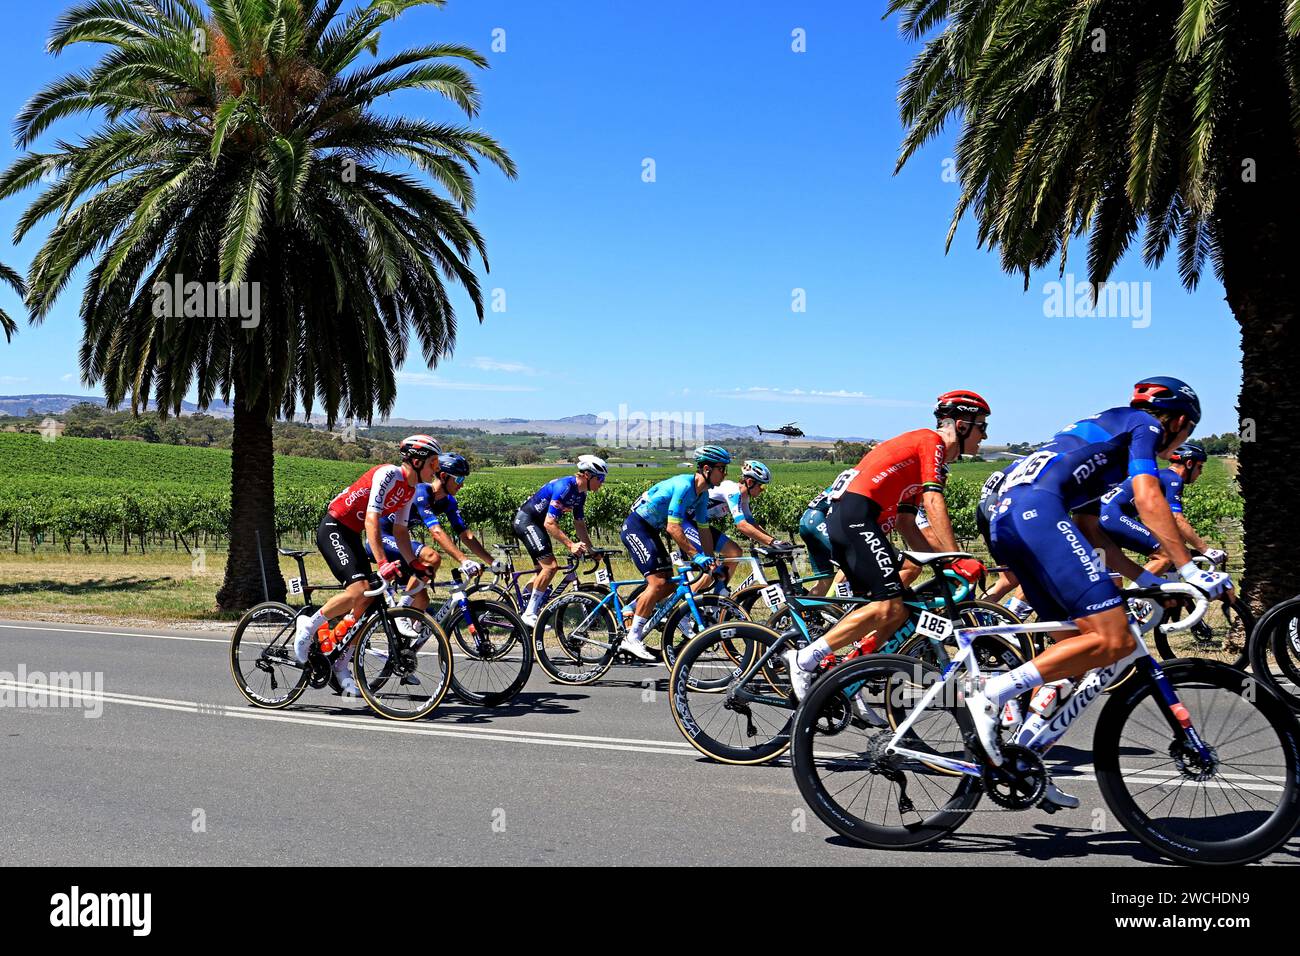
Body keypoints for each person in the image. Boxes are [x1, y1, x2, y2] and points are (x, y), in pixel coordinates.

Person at [965, 377, 1232, 810]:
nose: (1182, 442)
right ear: (1180, 421)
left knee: (1077, 656)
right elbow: (1148, 497)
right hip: (1036, 512)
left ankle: (1025, 758)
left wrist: (1149, 582)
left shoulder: (1105, 441)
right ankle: (993, 692)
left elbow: (1094, 533)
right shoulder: (1144, 425)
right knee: (1114, 639)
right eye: (1189, 431)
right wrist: (1187, 567)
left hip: (1008, 519)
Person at [783, 391, 991, 700]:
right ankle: (805, 659)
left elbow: (907, 524)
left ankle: (846, 680)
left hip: (856, 519)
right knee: (889, 605)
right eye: (981, 426)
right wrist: (955, 559)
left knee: (896, 614)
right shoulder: (930, 443)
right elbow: (933, 501)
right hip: (855, 516)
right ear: (961, 426)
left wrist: (937, 559)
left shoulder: (920, 462)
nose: (985, 435)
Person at [294, 435, 441, 696]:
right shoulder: (389, 474)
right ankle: (309, 625)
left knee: (370, 597)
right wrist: (383, 562)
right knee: (358, 591)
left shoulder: (408, 490)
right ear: (417, 461)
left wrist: (414, 564)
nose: (436, 469)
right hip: (334, 527)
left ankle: (340, 661)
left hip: (351, 534)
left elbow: (400, 530)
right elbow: (371, 520)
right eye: (433, 463)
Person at [618, 445, 729, 660]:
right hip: (637, 527)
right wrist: (697, 556)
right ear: (707, 468)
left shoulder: (702, 494)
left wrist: (711, 560)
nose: (724, 474)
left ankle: (640, 608)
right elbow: (673, 527)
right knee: (658, 583)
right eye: (721, 469)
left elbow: (704, 529)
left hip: (651, 530)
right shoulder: (684, 486)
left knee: (669, 583)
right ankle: (632, 638)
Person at [363, 453, 503, 615]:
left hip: (399, 545)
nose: (462, 485)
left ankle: (408, 637)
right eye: (458, 479)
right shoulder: (421, 492)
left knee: (422, 601)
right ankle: (401, 612)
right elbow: (435, 531)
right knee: (432, 557)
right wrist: (464, 560)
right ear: (443, 476)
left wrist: (492, 562)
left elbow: (466, 535)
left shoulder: (448, 502)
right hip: (381, 540)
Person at [1098, 442, 1224, 573]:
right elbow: (1177, 519)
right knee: (1166, 555)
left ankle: (1124, 593)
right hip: (1113, 517)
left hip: (1098, 519)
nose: (1201, 472)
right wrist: (1206, 550)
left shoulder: (1160, 475)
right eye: (1200, 467)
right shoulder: (1173, 479)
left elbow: (1163, 523)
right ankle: (1138, 592)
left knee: (1112, 584)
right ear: (1189, 464)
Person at [512, 455, 607, 626]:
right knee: (551, 567)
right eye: (600, 478)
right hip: (527, 521)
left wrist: (591, 549)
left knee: (543, 575)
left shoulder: (580, 495)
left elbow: (579, 524)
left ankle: (523, 603)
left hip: (537, 524)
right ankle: (529, 614)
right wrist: (570, 545)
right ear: (587, 475)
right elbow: (549, 523)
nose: (602, 483)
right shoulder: (565, 487)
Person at [683, 459, 788, 592]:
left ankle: (719, 595)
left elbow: (751, 523)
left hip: (698, 525)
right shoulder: (732, 491)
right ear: (750, 482)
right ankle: (685, 606)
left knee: (735, 552)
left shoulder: (744, 497)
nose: (763, 490)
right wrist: (772, 542)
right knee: (710, 569)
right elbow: (742, 525)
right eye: (762, 486)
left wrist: (776, 542)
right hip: (685, 523)